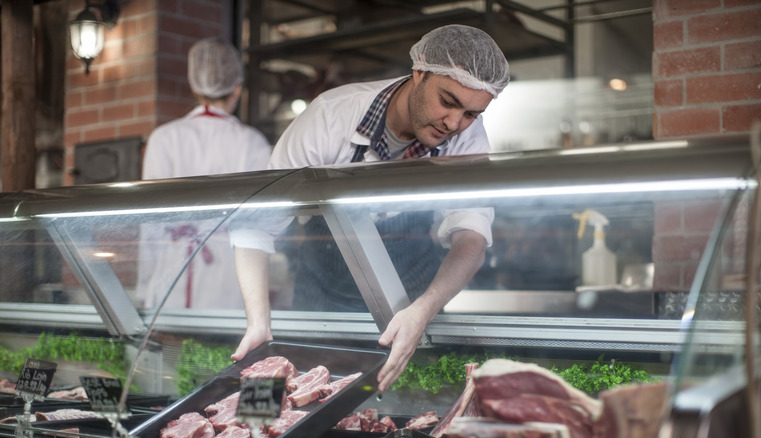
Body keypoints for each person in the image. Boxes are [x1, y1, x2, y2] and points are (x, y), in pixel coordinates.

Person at [229, 24, 509, 392]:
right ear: (419, 73)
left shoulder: (468, 139)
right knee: (299, 411)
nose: (455, 124)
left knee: (403, 415)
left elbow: (471, 238)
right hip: (321, 306)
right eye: (448, 101)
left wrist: (423, 311)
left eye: (472, 114)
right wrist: (258, 324)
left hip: (411, 312)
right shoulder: (329, 118)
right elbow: (255, 226)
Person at [137, 37, 272, 310]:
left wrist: (143, 286)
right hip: (232, 278)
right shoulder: (252, 141)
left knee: (171, 350)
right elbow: (264, 224)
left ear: (194, 87)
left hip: (168, 276)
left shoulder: (163, 138)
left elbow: (150, 223)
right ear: (237, 89)